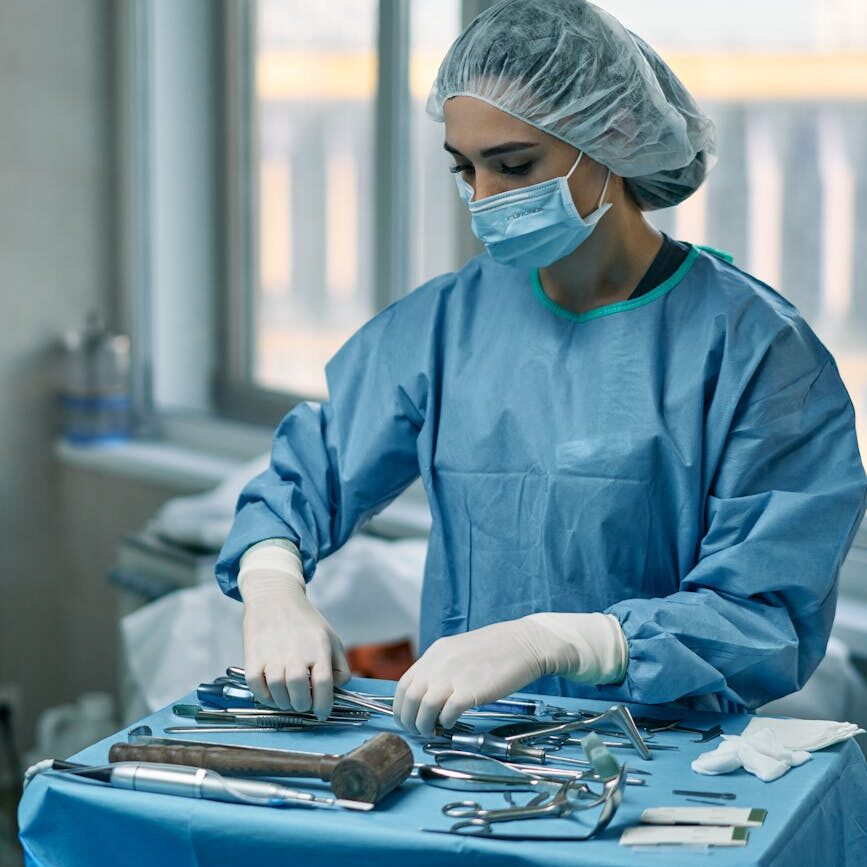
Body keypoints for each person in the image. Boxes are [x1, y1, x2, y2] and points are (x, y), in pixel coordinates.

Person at [216, 0, 867, 736]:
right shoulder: (446, 324)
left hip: (662, 762)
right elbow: (307, 477)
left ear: (613, 135)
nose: (483, 200)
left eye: (514, 165)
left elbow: (764, 610)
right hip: (468, 747)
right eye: (465, 169)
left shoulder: (756, 352)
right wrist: (273, 584)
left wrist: (565, 641)